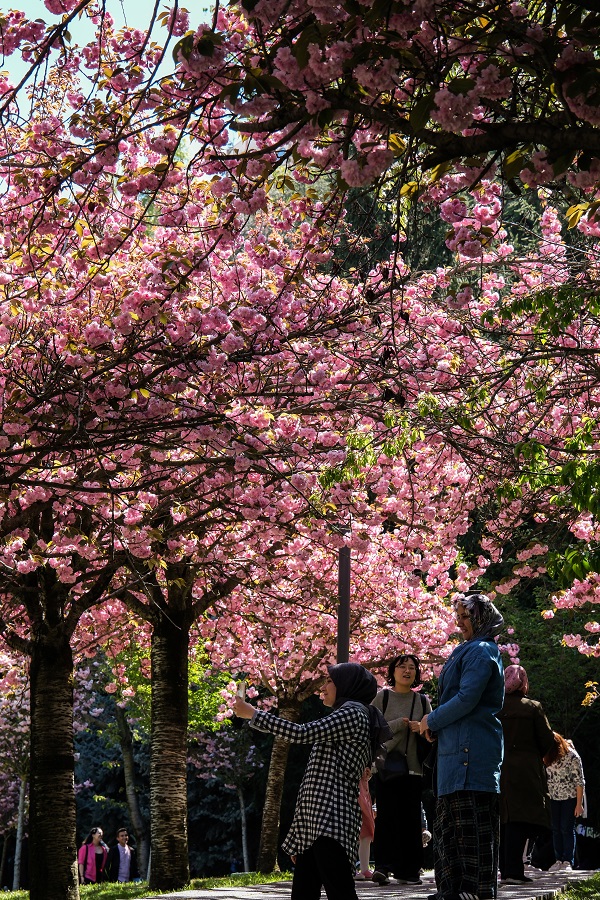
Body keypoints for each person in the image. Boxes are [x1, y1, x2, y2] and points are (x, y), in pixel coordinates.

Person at [234, 661, 390, 900]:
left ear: (347, 685)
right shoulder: (354, 714)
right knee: (305, 893)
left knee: (339, 893)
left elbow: (302, 733)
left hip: (331, 820)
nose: (323, 687)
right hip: (318, 823)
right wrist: (301, 833)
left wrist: (254, 714)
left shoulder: (352, 712)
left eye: (330, 681)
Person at [420, 592, 505, 900]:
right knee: (449, 827)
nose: (460, 623)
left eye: (466, 617)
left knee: (471, 827)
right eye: (458, 617)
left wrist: (432, 720)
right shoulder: (467, 649)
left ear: (482, 617)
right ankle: (451, 890)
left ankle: (472, 891)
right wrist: (436, 726)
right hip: (454, 751)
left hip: (472, 751)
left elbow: (467, 698)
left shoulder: (481, 651)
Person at [370, 653, 431, 886]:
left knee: (411, 819)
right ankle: (383, 867)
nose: (407, 671)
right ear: (392, 671)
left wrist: (421, 729)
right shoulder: (382, 698)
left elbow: (431, 734)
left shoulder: (422, 701)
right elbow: (371, 730)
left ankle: (409, 870)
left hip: (413, 769)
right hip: (386, 768)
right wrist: (398, 725)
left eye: (412, 667)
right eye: (402, 666)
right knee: (386, 817)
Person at [498, 664, 554, 885]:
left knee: (503, 818)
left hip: (498, 767)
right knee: (520, 818)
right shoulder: (532, 707)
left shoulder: (494, 707)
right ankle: (514, 871)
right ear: (523, 681)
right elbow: (547, 740)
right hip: (526, 770)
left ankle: (504, 869)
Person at [544, 732, 585, 872]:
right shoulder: (547, 756)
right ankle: (558, 860)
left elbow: (580, 782)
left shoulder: (572, 756)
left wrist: (579, 804)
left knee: (566, 829)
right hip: (553, 798)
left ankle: (568, 860)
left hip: (570, 798)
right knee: (556, 829)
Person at [355, 767, 375, 880]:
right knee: (351, 832)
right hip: (353, 791)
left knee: (367, 832)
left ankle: (364, 868)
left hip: (363, 790)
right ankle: (350, 867)